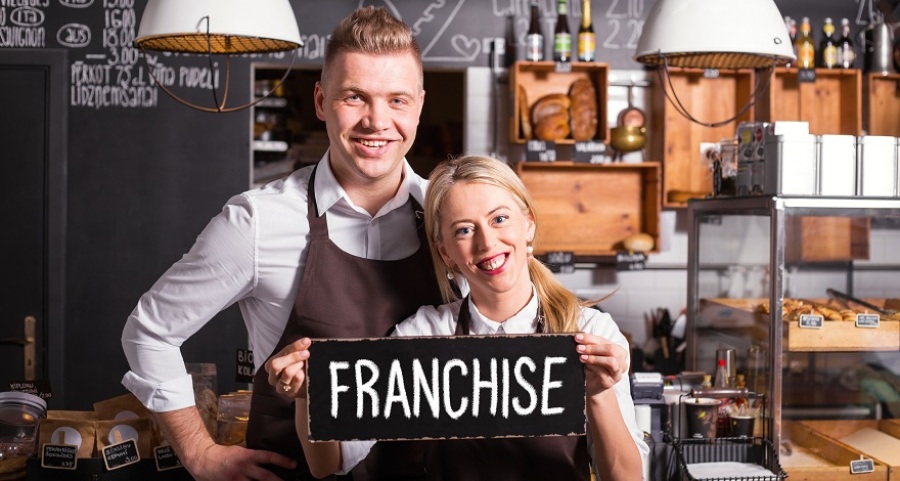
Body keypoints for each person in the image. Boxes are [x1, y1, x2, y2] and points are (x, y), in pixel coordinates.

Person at [120, 7, 444, 481]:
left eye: (397, 100)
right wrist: (199, 452)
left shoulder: (451, 219)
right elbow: (148, 332)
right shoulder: (259, 220)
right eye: (355, 97)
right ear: (320, 100)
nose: (377, 121)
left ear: (418, 104)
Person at [268, 155, 648, 481]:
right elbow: (328, 464)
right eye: (464, 230)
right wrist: (309, 395)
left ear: (527, 224)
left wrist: (597, 394)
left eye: (499, 219)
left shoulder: (589, 331)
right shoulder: (425, 335)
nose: (486, 243)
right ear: (446, 252)